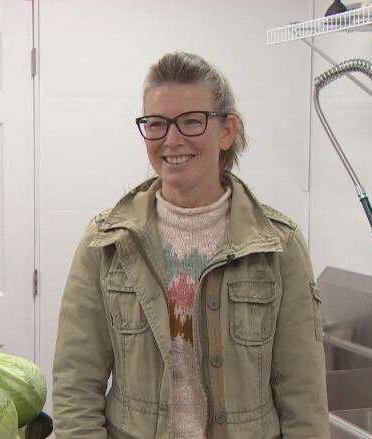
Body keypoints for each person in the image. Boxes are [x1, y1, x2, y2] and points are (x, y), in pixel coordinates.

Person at [52, 52, 330, 439]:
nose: (172, 139)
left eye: (191, 121)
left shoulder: (278, 246)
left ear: (227, 131)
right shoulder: (107, 243)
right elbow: (76, 387)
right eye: (157, 124)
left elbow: (304, 399)